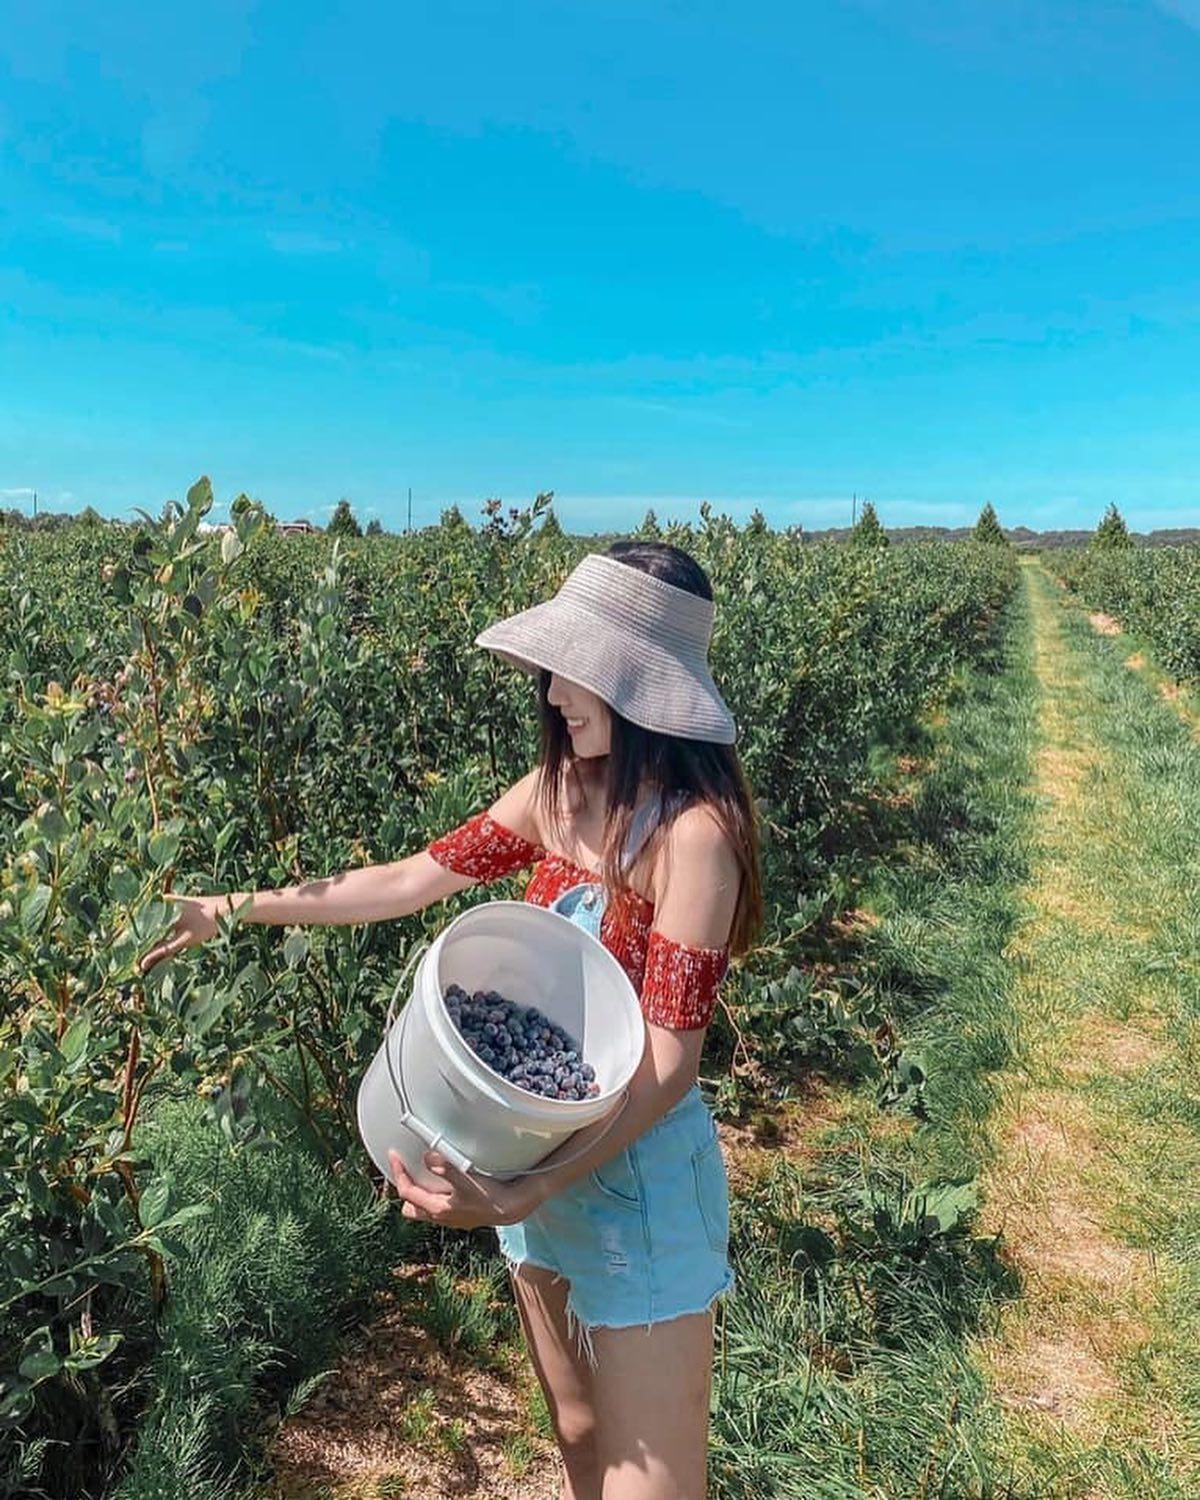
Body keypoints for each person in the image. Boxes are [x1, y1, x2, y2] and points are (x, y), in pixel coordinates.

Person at [140, 540, 763, 1500]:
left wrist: (528, 1186)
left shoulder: (695, 838)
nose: (553, 693)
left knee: (653, 1481)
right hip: (536, 1158)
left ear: (642, 687)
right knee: (580, 1432)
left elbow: (669, 1060)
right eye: (555, 669)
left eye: (577, 672)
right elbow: (407, 881)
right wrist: (230, 907)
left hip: (635, 1179)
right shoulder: (555, 798)